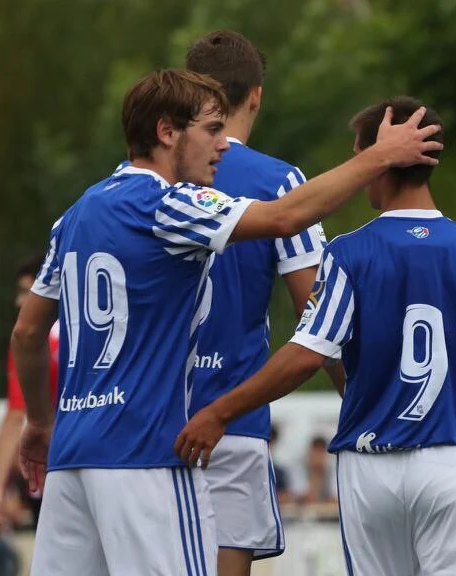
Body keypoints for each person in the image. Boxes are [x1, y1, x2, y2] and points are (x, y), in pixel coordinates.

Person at [11, 69, 441, 575]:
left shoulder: (77, 213)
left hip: (71, 459)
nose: (223, 146)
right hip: (146, 454)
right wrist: (379, 156)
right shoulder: (167, 204)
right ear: (168, 132)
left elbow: (28, 333)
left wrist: (40, 423)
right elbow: (286, 217)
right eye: (212, 130)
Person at [174, 96, 456, 576]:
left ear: (380, 163)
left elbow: (308, 354)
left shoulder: (349, 254)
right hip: (451, 459)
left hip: (370, 467)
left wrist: (220, 411)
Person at [184, 30, 339, 574]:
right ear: (256, 96)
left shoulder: (152, 176)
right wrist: (358, 403)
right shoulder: (280, 183)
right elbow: (319, 317)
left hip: (152, 422)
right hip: (232, 422)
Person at [0, 255, 58, 528]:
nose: (20, 302)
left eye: (26, 291)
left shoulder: (29, 339)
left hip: (56, 471)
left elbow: (17, 415)